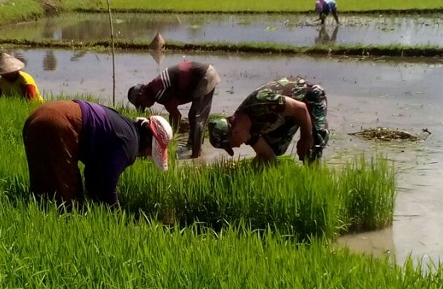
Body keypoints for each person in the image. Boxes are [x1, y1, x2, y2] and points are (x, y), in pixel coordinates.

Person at [22, 99, 173, 206]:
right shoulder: (129, 145)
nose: (146, 156)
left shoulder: (125, 126)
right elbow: (105, 185)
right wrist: (116, 217)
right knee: (66, 202)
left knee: (43, 186)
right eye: (150, 151)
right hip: (56, 124)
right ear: (148, 140)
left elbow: (94, 174)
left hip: (41, 114)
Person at [208, 77, 329, 164]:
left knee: (312, 147)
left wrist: (305, 137)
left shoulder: (261, 102)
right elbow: (267, 155)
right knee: (275, 148)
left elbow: (301, 109)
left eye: (233, 144)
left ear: (234, 130)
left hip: (308, 98)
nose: (239, 146)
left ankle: (313, 177)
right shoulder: (247, 133)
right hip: (288, 114)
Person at [127, 61, 220, 159]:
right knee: (196, 115)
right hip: (204, 76)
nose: (146, 106)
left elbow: (176, 116)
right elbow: (173, 114)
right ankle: (193, 146)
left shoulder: (159, 91)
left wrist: (169, 137)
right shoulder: (155, 88)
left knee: (196, 116)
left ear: (142, 95)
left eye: (142, 104)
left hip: (204, 76)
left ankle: (195, 156)